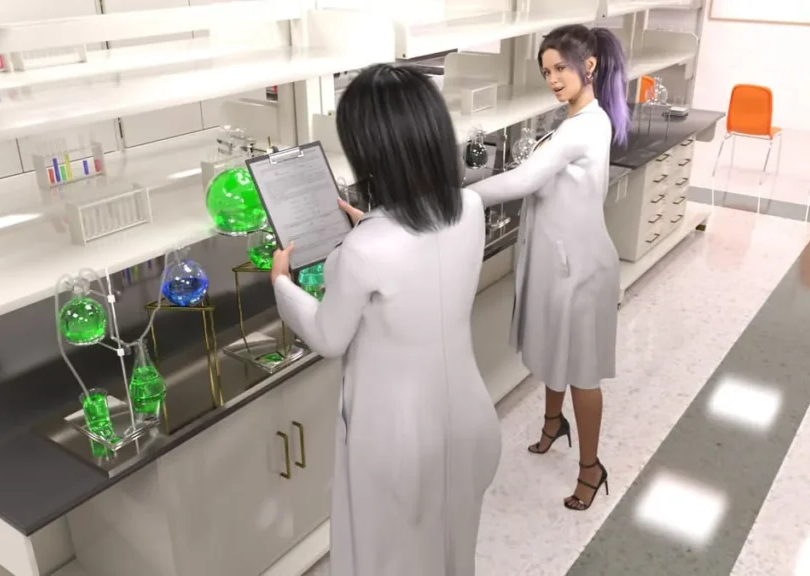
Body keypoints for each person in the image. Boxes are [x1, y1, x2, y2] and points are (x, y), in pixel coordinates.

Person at [269, 64, 501, 576]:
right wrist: (368, 224)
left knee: (389, 563)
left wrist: (282, 284)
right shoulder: (470, 206)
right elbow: (418, 257)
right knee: (452, 555)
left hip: (397, 441)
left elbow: (329, 337)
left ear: (369, 152)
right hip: (467, 418)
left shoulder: (364, 251)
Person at [469, 25, 631, 512]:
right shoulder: (574, 119)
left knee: (582, 371)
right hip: (563, 262)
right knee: (557, 349)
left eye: (561, 67)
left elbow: (523, 181)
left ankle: (591, 469)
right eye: (546, 71)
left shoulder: (584, 127)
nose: (553, 79)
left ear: (589, 65)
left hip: (581, 270)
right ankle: (552, 425)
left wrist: (455, 198)